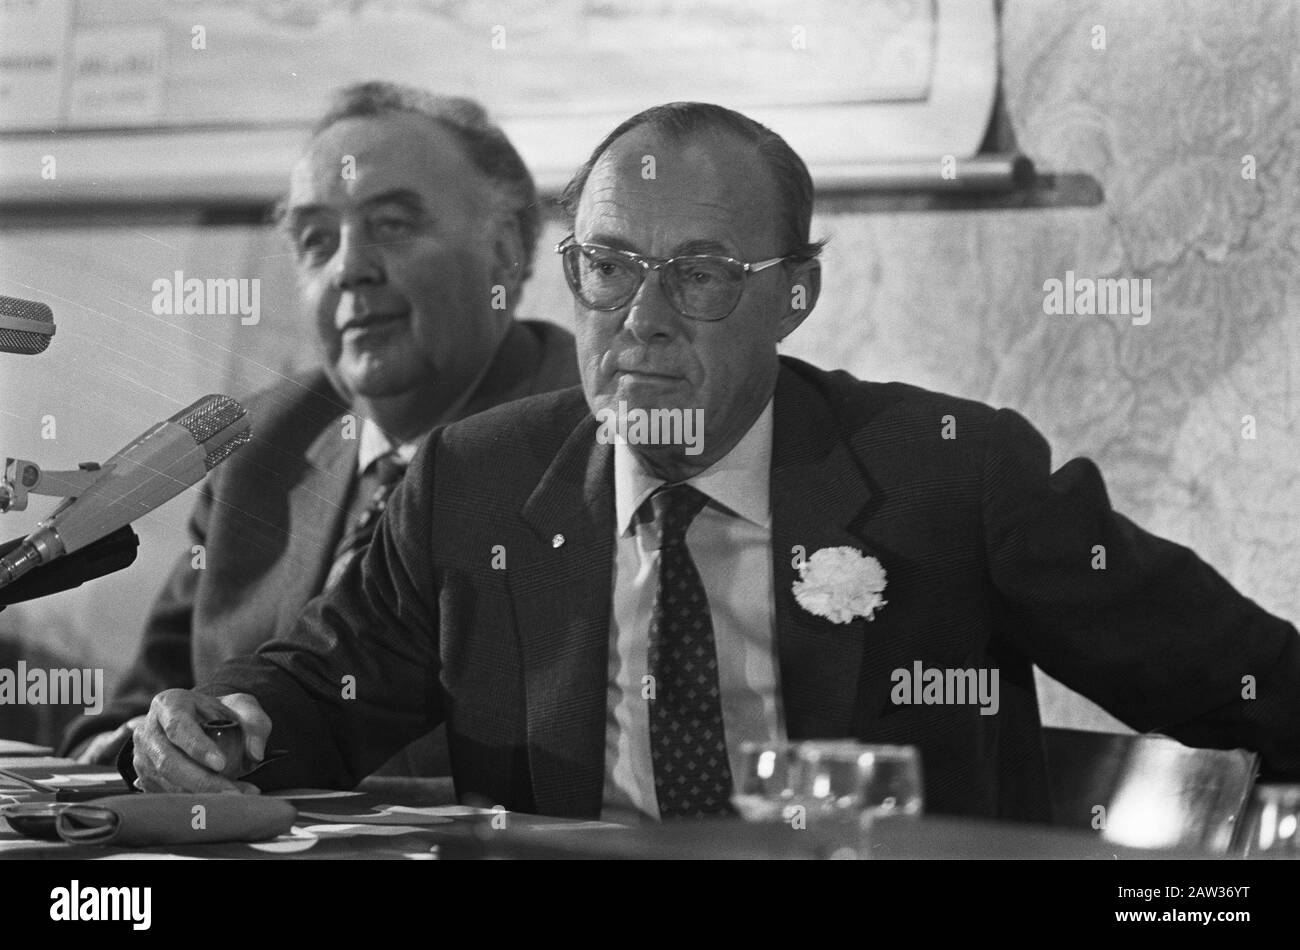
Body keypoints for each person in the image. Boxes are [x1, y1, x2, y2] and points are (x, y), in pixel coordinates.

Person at [126, 102, 1300, 823]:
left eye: (698, 275)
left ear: (794, 296)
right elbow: (315, 694)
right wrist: (221, 727)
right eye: (607, 266)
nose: (639, 320)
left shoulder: (953, 472)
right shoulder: (474, 480)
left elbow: (1236, 677)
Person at [61, 81, 578, 771]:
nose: (350, 269)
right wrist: (151, 755)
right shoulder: (258, 442)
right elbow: (141, 711)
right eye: (315, 240)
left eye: (391, 226)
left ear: (507, 249)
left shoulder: (587, 440)